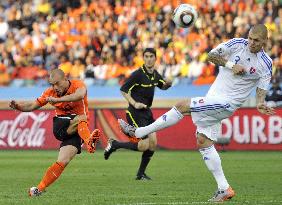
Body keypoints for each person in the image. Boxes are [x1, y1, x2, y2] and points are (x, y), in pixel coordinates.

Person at [118, 24, 275, 201]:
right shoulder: (237, 44)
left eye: (256, 40)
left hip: (226, 103)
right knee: (203, 141)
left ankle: (138, 132)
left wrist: (260, 103)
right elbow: (211, 56)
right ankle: (224, 188)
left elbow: (261, 89)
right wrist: (231, 65)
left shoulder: (266, 64)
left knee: (182, 105)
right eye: (250, 38)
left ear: (265, 41)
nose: (251, 43)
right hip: (213, 97)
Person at [9, 69, 101, 197]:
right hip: (61, 126)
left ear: (65, 79)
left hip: (78, 130)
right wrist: (18, 107)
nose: (54, 87)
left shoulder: (78, 85)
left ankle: (38, 189)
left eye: (57, 83)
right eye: (52, 84)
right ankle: (89, 141)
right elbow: (32, 106)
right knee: (82, 118)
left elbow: (79, 95)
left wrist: (58, 100)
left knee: (63, 161)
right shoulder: (50, 92)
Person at [104, 48, 172, 180]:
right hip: (135, 112)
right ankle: (115, 144)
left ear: (155, 58)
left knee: (153, 143)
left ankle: (140, 174)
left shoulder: (154, 74)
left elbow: (162, 85)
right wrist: (134, 103)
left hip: (147, 112)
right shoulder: (137, 74)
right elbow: (123, 90)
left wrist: (168, 84)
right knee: (145, 145)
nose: (148, 59)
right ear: (143, 58)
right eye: (146, 56)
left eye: (151, 56)